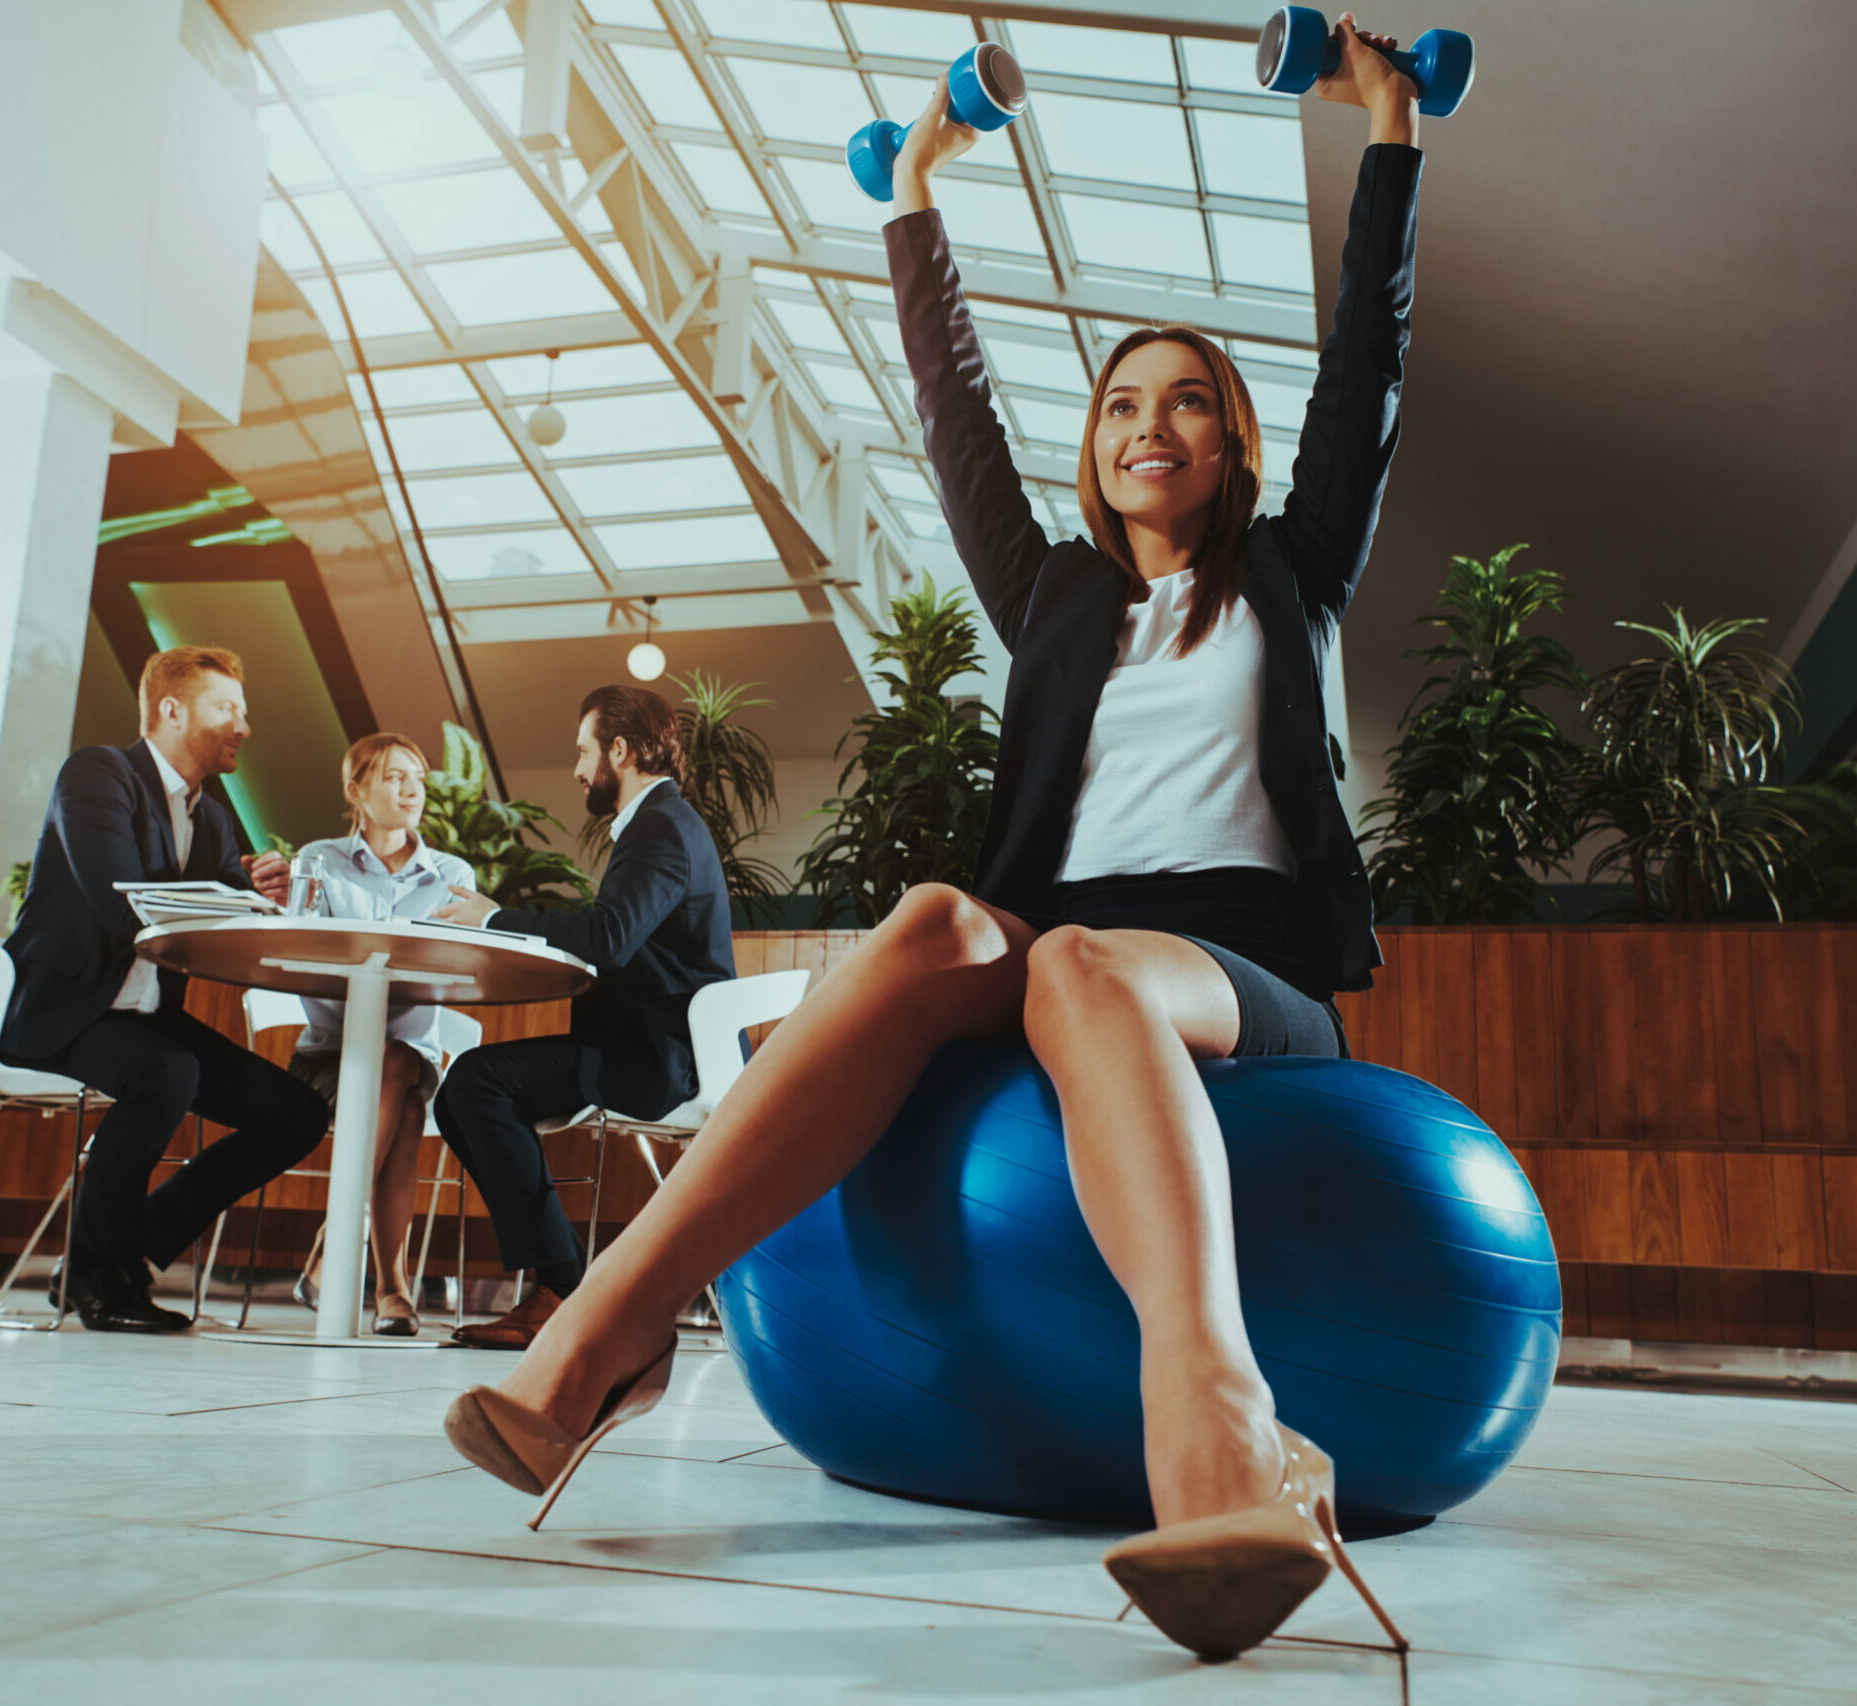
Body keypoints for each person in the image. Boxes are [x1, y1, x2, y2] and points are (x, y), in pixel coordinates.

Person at [440, 15, 1422, 1660]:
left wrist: (1387, 131)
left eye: (1188, 402)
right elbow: (949, 404)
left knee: (1085, 965)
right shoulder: (1046, 594)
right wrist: (908, 194)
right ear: (1092, 446)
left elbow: (1367, 369)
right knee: (920, 923)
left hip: (1234, 974)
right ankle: (607, 1332)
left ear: (1232, 445)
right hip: (1051, 949)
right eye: (1121, 402)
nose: (1148, 422)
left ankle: (1219, 1431)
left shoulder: (1289, 570)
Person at [0, 645, 328, 1333]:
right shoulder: (98, 773)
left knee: (295, 1114)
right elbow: (125, 902)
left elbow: (217, 912)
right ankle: (98, 1277)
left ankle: (133, 1246)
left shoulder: (209, 815)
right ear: (172, 710)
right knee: (165, 1072)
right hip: (68, 1011)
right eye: (226, 709)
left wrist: (254, 896)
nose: (244, 725)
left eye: (243, 710)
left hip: (144, 1021)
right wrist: (230, 894)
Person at [425, 684, 734, 1350]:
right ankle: (558, 1284)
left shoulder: (661, 827)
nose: (575, 768)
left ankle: (562, 1291)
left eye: (581, 750)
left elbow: (607, 937)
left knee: (475, 1083)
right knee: (460, 1096)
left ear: (618, 750)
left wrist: (492, 917)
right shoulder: (663, 824)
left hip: (657, 1059)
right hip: (642, 1044)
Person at [281, 733, 477, 1337]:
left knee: (397, 1062)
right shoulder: (318, 859)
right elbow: (299, 949)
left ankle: (333, 1247)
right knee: (405, 1100)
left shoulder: (451, 874)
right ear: (356, 790)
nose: (412, 789)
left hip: (407, 1057)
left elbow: (462, 960)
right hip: (327, 1058)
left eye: (417, 778)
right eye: (394, 777)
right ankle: (392, 1289)